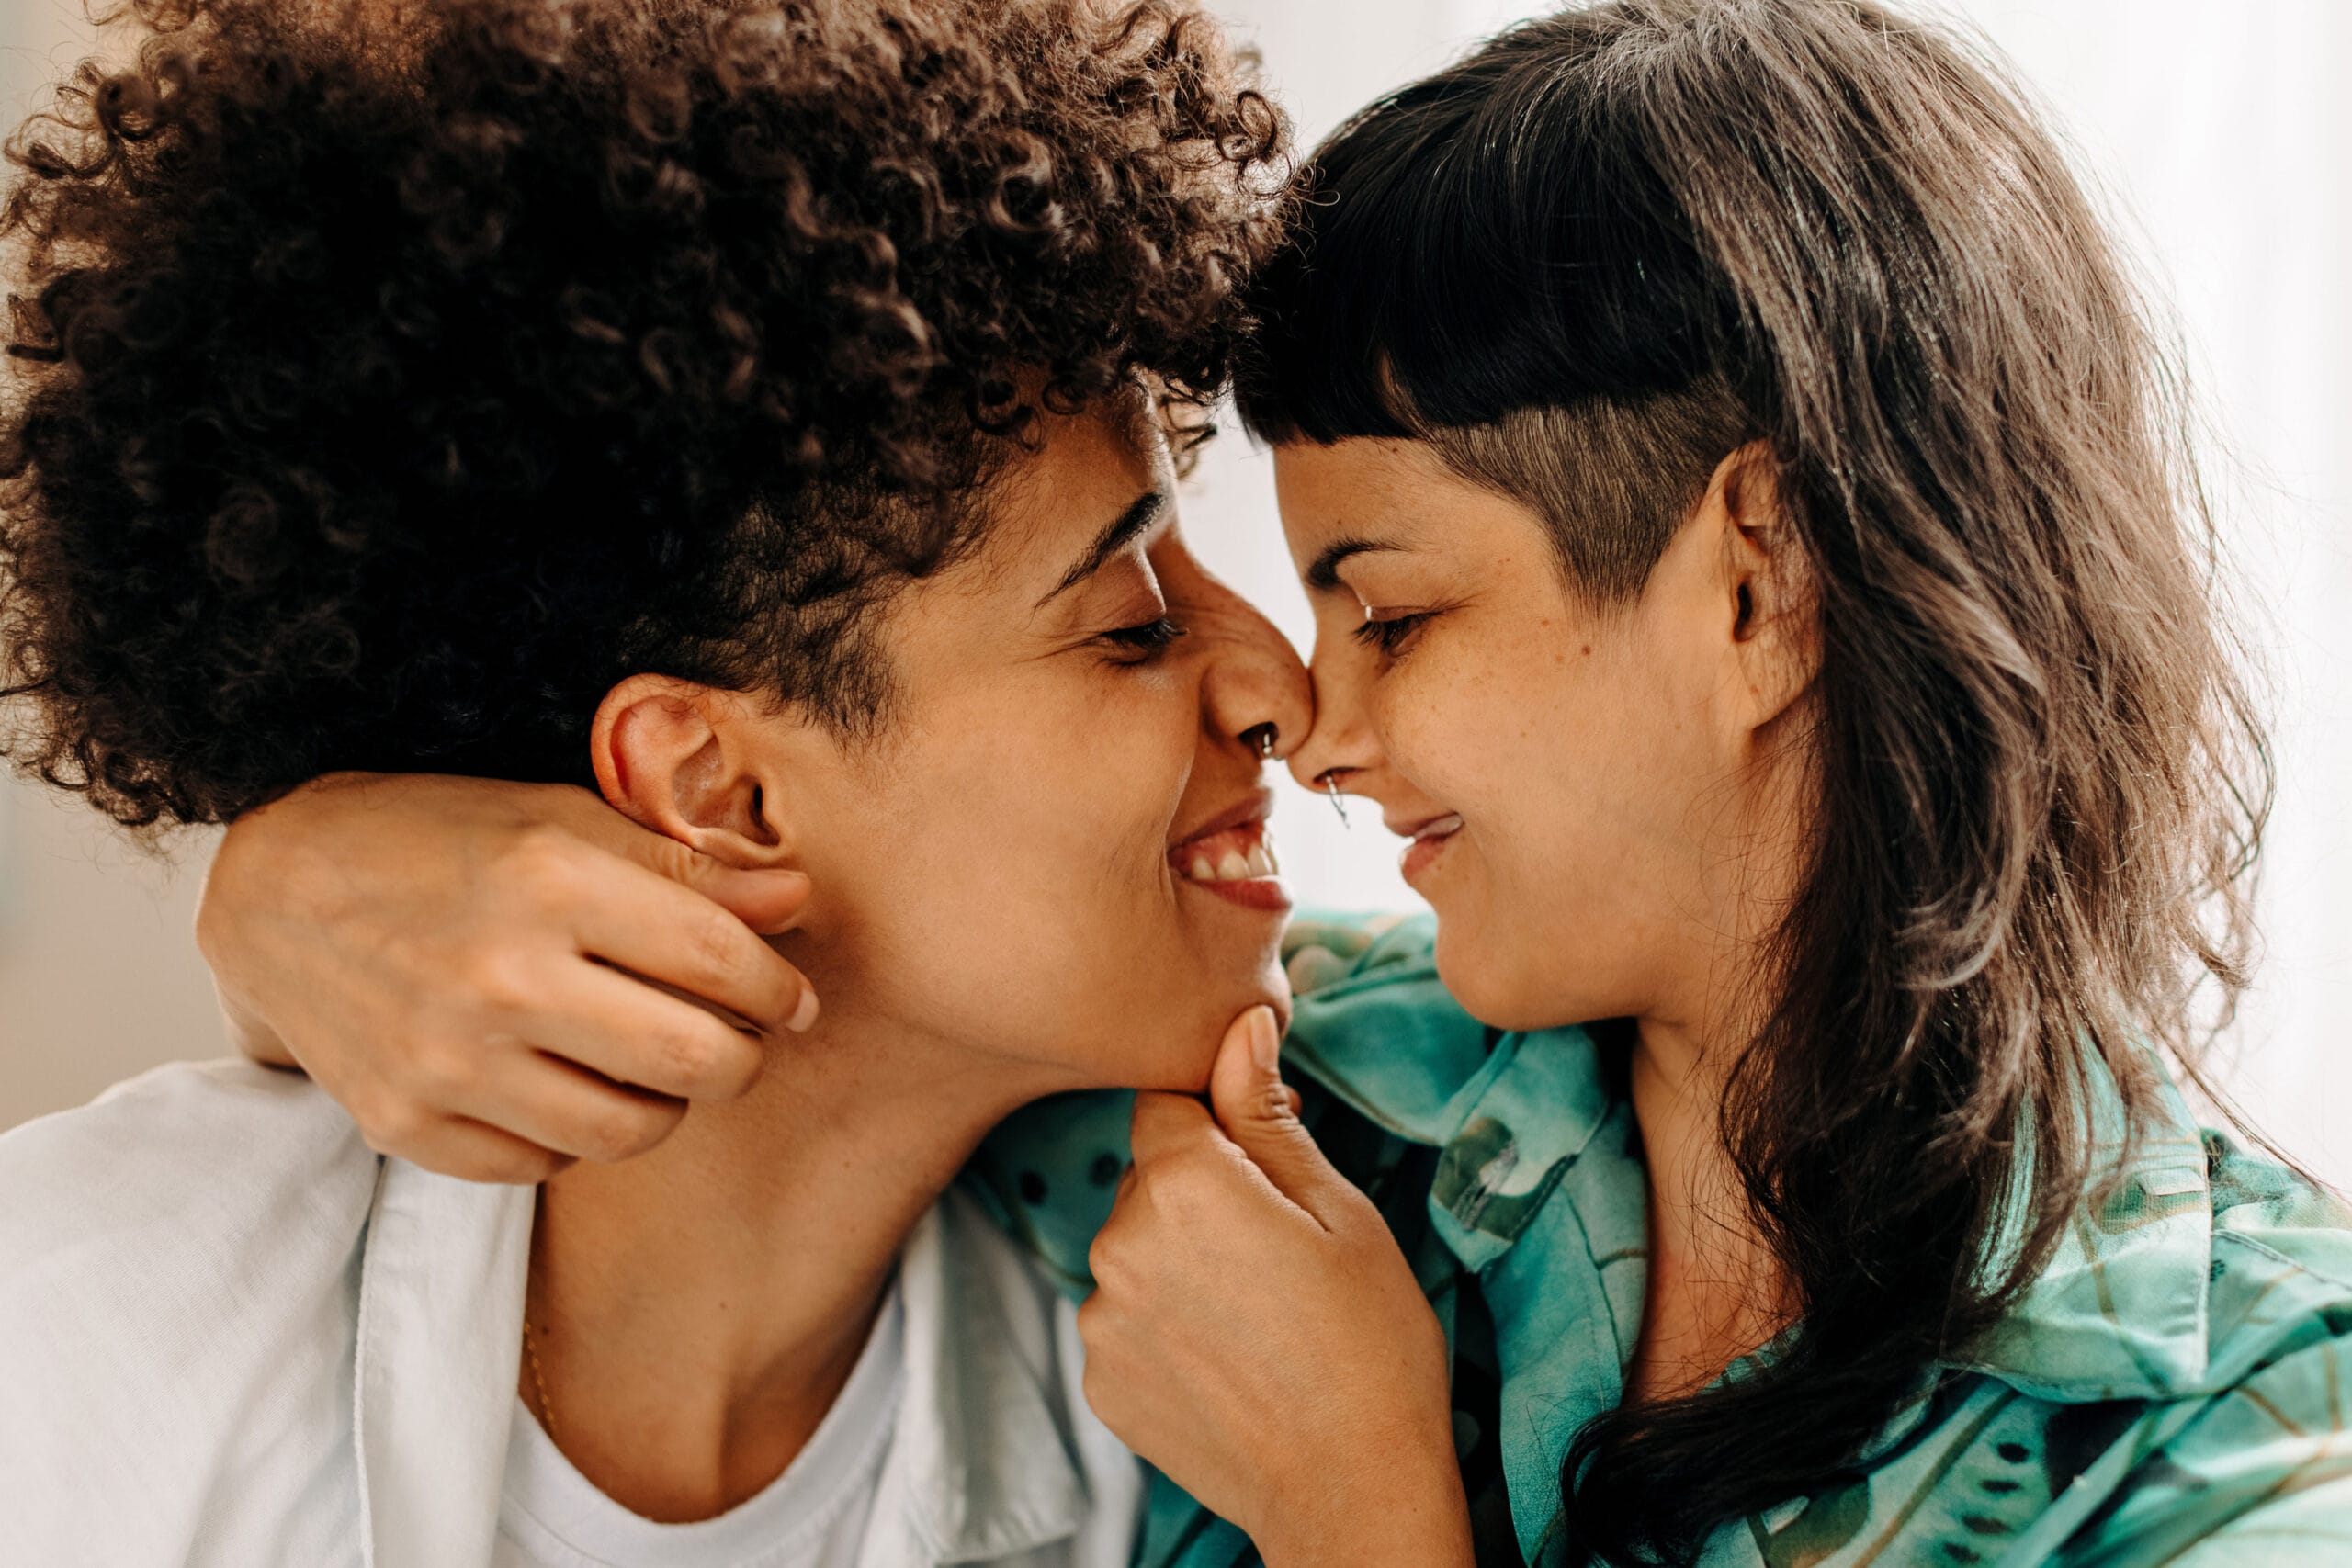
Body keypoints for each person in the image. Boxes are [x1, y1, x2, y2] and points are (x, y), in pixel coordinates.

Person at [176, 1, 2352, 1565]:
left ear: (1755, 587)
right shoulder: (1313, 1097)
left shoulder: (2254, 1434)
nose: (1303, 719)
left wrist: (1360, 1521)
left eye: (1386, 612)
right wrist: (289, 881)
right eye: (1160, 613)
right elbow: (847, 1001)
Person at [0, 0, 1333, 1563]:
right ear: (722, 794)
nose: (1281, 689)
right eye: (1129, 625)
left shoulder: (1183, 1411)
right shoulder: (66, 1356)